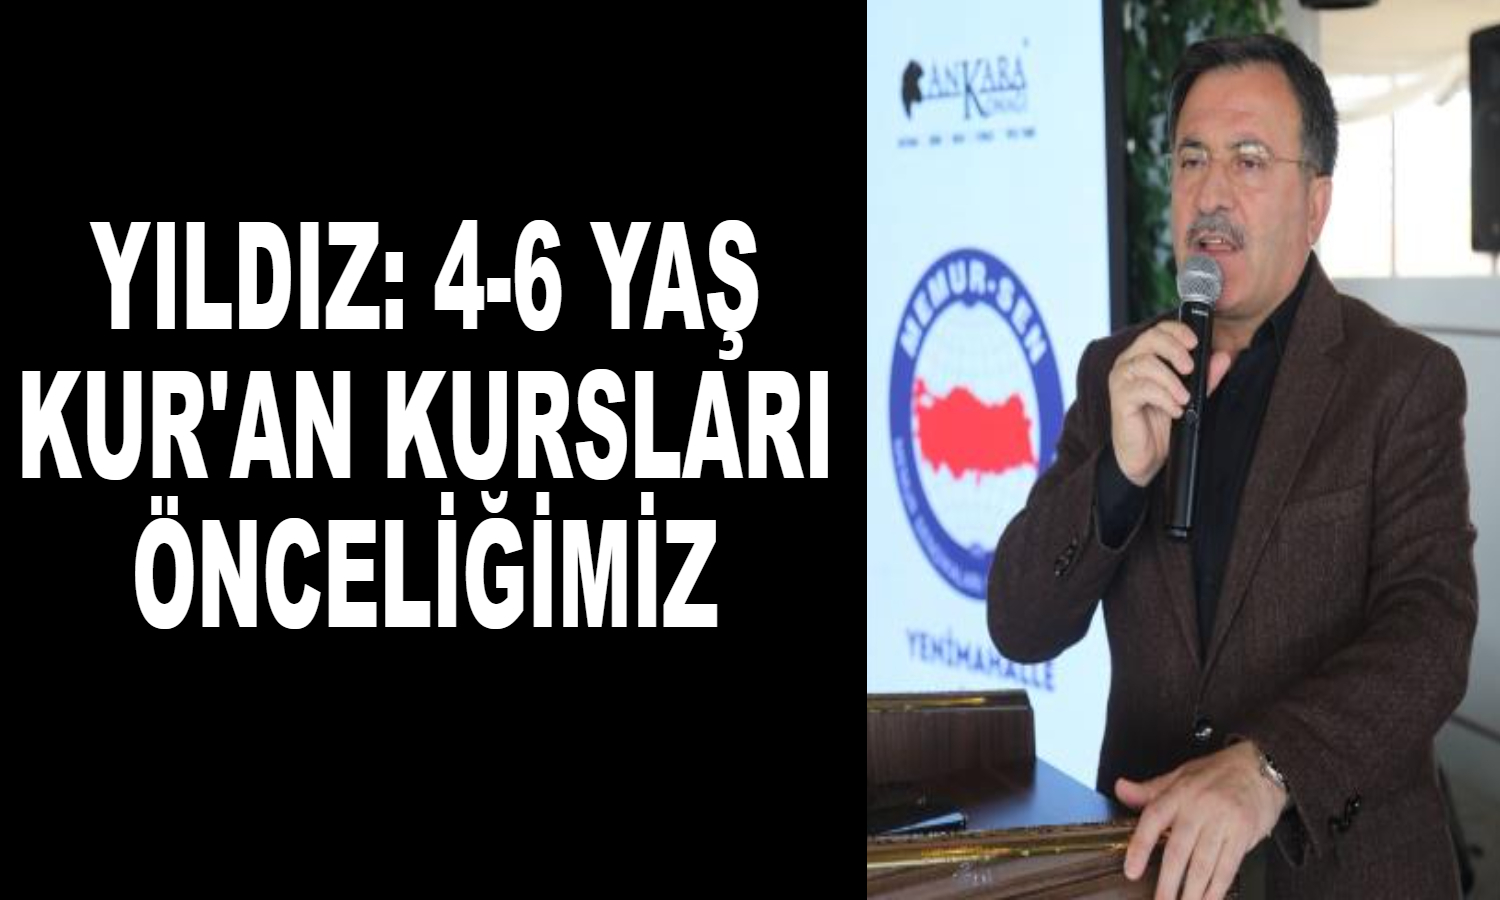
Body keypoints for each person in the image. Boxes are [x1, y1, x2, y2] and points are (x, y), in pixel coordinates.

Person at [986, 33, 1477, 900]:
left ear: (1316, 203)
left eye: (1249, 161)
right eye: (1191, 160)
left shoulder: (1402, 380)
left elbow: (1430, 635)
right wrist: (1116, 480)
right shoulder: (1115, 373)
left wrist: (1269, 767)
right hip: (1149, 868)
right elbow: (1020, 625)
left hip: (1345, 873)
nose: (1211, 194)